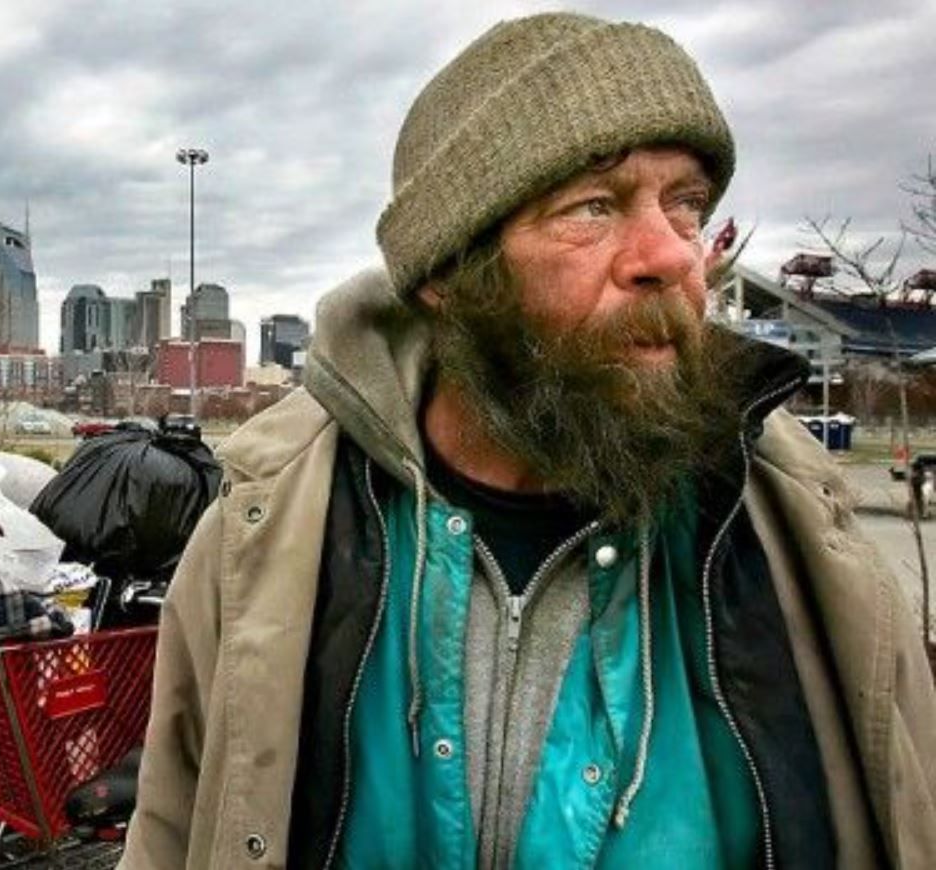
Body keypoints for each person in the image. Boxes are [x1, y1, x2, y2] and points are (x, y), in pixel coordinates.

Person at [122, 12, 936, 868]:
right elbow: (172, 828)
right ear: (448, 275)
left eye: (686, 205)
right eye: (593, 207)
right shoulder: (268, 530)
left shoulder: (803, 536)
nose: (671, 256)